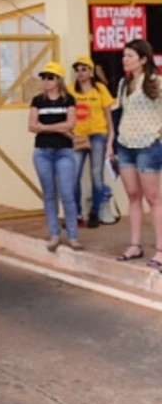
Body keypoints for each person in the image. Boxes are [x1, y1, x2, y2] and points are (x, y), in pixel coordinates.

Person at [114, 39, 162, 264]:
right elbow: (119, 112)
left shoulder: (156, 82)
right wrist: (112, 142)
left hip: (148, 145)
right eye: (124, 55)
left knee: (153, 198)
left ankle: (160, 249)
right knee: (133, 196)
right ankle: (135, 245)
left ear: (143, 59)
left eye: (129, 56)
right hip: (125, 144)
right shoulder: (123, 83)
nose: (125, 59)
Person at [29, 61, 81, 251]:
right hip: (42, 151)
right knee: (49, 194)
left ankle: (73, 236)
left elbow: (71, 124)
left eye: (50, 77)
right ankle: (54, 234)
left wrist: (44, 127)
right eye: (44, 77)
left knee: (67, 194)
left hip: (64, 151)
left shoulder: (68, 99)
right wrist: (59, 128)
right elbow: (31, 125)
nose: (46, 81)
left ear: (59, 80)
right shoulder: (37, 100)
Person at [67, 55, 115, 229]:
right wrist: (69, 134)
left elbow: (109, 117)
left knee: (96, 175)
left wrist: (110, 141)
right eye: (77, 70)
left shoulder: (100, 89)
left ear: (91, 71)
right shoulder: (70, 90)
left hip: (97, 134)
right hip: (78, 136)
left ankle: (95, 212)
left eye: (84, 69)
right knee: (73, 176)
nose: (80, 73)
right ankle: (77, 214)